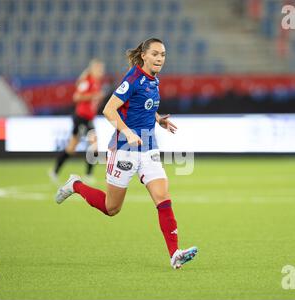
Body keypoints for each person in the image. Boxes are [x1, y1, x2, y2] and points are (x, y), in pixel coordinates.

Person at [55, 38, 198, 269]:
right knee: (112, 208)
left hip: (148, 148)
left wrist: (159, 119)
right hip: (124, 148)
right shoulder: (132, 79)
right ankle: (76, 185)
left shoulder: (153, 80)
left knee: (163, 197)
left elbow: (144, 107)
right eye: (155, 54)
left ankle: (175, 254)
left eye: (163, 54)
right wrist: (128, 132)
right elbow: (108, 109)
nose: (160, 58)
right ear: (144, 55)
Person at [49, 59, 105, 184]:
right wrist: (94, 96)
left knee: (72, 148)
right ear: (93, 69)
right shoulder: (87, 81)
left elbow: (93, 102)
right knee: (93, 145)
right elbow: (77, 97)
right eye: (99, 69)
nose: (101, 72)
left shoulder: (96, 83)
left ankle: (55, 171)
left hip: (88, 118)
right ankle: (88, 175)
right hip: (81, 118)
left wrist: (97, 99)